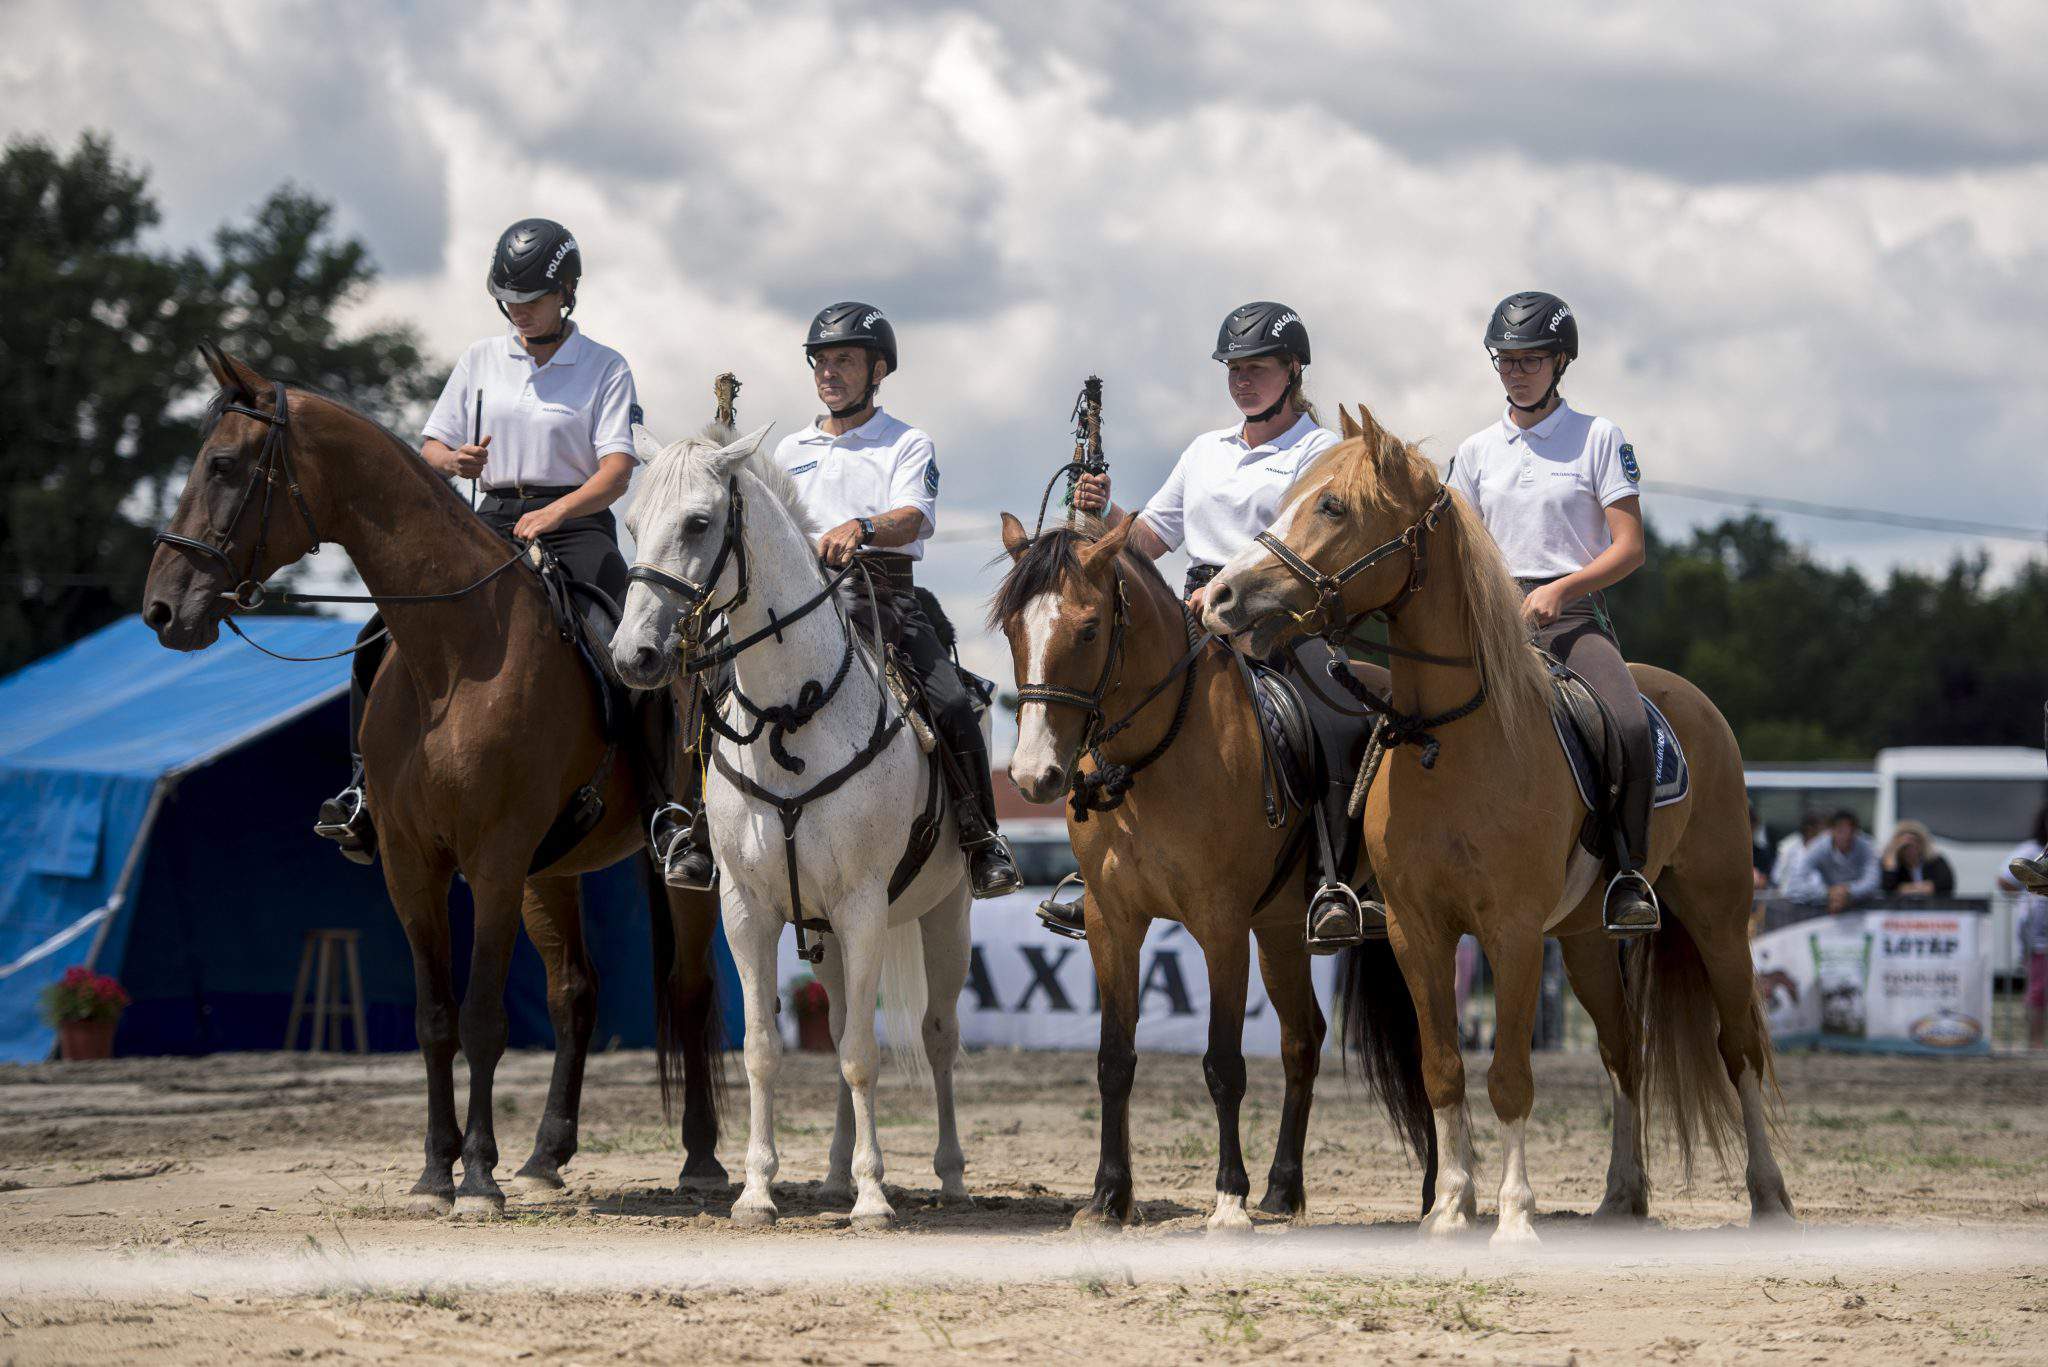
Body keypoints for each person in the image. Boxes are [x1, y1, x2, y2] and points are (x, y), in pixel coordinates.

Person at [315, 217, 687, 874]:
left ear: (567, 291)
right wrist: (453, 460)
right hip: (487, 520)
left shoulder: (605, 367)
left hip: (576, 525)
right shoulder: (480, 359)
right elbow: (429, 448)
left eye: (532, 299)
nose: (518, 311)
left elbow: (617, 471)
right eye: (509, 299)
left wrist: (557, 512)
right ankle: (360, 790)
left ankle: (662, 807)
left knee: (627, 646)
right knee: (382, 632)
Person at [669, 301, 1020, 899]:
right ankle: (701, 831)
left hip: (878, 596)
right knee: (716, 685)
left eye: (844, 361)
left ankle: (982, 839)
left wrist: (861, 527)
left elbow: (915, 517)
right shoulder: (789, 450)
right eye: (821, 361)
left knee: (949, 699)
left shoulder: (907, 441)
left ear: (877, 370)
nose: (829, 372)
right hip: (792, 603)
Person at [1069, 301, 1369, 950]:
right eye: (1233, 368)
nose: (1242, 380)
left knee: (1342, 719)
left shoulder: (1320, 450)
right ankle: (1096, 869)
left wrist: (1232, 587)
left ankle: (1334, 879)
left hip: (1279, 617)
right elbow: (1148, 539)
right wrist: (1105, 507)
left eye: (1256, 367)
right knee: (1100, 704)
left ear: (1293, 370)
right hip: (1194, 616)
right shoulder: (1205, 450)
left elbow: (1307, 543)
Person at [1446, 292, 1657, 936]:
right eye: (1506, 359)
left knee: (1627, 723)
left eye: (1531, 358)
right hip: (1490, 620)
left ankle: (1628, 873)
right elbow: (1459, 545)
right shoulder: (1476, 450)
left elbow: (1629, 548)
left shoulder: (1598, 437)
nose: (1516, 370)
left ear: (1560, 361)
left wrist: (1562, 589)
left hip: (1567, 620)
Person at [1997, 802, 2048, 1049]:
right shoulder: (2030, 848)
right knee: (2038, 990)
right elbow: (2005, 880)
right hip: (2038, 936)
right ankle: (2036, 1042)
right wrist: (2028, 888)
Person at [1785, 809, 1880, 913]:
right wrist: (1827, 893)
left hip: (1860, 906)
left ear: (1856, 832)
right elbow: (1796, 882)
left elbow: (1873, 882)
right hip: (1826, 905)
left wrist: (1849, 891)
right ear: (1831, 831)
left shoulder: (1867, 847)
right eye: (1841, 831)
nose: (1846, 836)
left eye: (1850, 831)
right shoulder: (1818, 847)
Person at [1879, 819, 1954, 898]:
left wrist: (1907, 888)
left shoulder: (1935, 861)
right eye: (1906, 846)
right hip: (1902, 908)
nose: (1911, 850)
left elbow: (1946, 885)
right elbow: (1887, 888)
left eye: (1916, 843)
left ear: (1922, 843)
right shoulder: (1893, 863)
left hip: (1932, 907)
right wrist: (1892, 855)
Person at [1772, 810, 1825, 894]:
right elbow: (1777, 877)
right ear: (1809, 829)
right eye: (1820, 828)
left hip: (1820, 897)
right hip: (1790, 898)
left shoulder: (1826, 846)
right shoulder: (1787, 846)